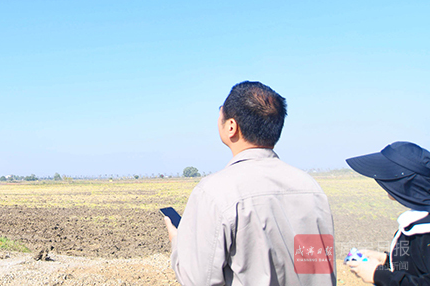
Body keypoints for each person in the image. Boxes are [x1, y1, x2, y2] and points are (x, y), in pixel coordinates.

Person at [165, 81, 336, 285]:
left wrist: (177, 242)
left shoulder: (213, 192)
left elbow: (197, 281)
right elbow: (316, 269)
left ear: (231, 126)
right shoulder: (311, 188)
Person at [345, 141, 430, 285]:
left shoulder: (426, 231)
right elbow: (419, 267)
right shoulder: (419, 221)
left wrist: (379, 276)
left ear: (404, 182)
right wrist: (387, 261)